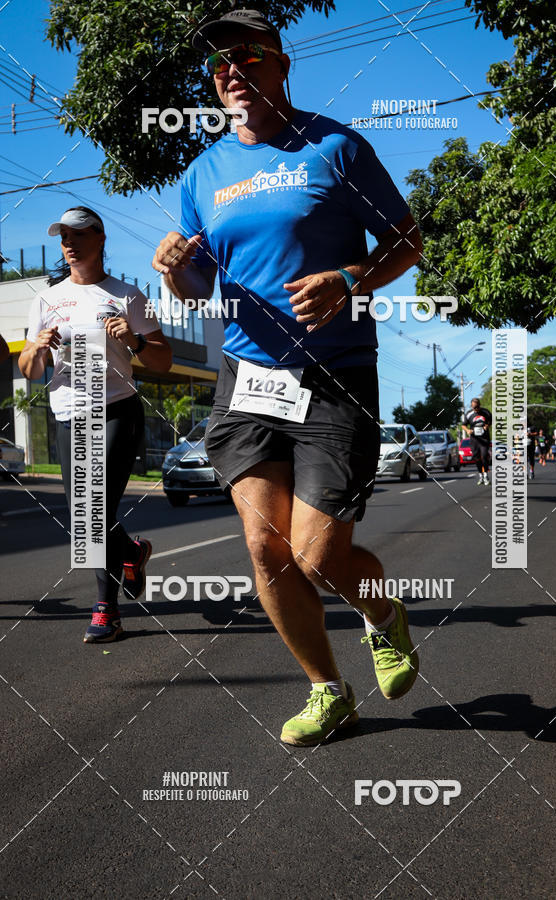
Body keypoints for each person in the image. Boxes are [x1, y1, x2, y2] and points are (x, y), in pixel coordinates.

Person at [153, 9, 423, 746]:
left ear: (281, 65)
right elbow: (199, 286)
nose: (231, 73)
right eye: (218, 67)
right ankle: (328, 690)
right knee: (265, 547)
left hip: (333, 372)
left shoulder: (335, 147)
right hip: (246, 377)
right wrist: (179, 273)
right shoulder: (202, 173)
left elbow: (407, 240)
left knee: (317, 553)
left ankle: (383, 615)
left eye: (247, 58)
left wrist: (350, 277)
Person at [19, 207, 172, 642]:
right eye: (63, 236)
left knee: (92, 512)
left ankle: (107, 609)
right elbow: (29, 369)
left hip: (117, 410)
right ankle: (132, 551)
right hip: (70, 415)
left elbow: (163, 359)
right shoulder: (46, 299)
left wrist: (136, 340)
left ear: (100, 239)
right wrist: (39, 349)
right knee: (83, 517)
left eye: (78, 234)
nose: (69, 243)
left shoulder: (127, 295)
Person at [461, 398, 492, 485]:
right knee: (476, 457)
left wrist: (487, 425)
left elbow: (490, 421)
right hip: (474, 439)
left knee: (484, 456)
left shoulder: (486, 412)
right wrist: (467, 430)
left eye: (477, 407)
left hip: (484, 438)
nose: (476, 409)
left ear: (480, 405)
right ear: (472, 407)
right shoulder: (469, 414)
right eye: (474, 407)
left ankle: (486, 475)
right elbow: (463, 425)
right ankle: (480, 475)